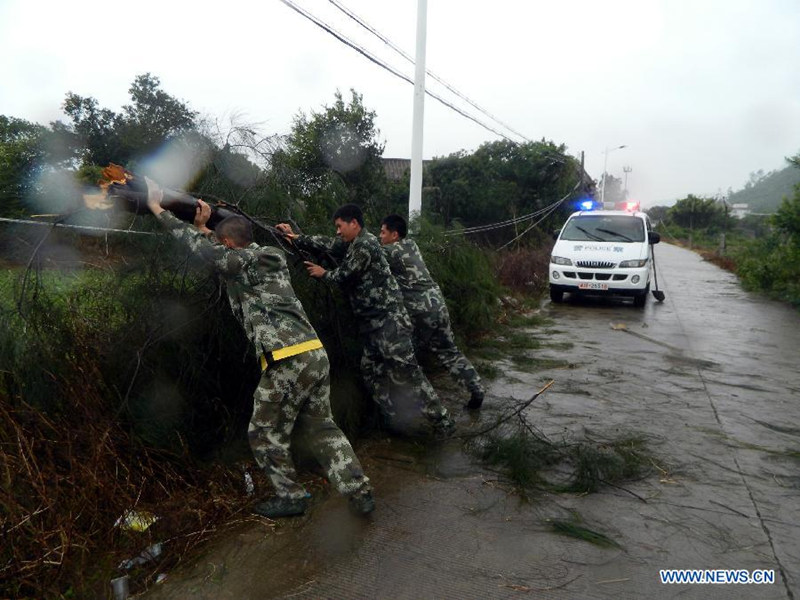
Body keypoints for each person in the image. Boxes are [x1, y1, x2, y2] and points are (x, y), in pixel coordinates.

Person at [143, 178, 374, 518]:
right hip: (313, 355)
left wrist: (157, 209)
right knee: (322, 427)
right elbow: (223, 255)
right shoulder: (259, 260)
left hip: (288, 359)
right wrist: (204, 227)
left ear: (228, 244)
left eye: (222, 243)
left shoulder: (255, 259)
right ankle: (360, 492)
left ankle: (291, 496)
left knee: (263, 432)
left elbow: (212, 255)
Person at [276, 204, 455, 437]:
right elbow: (327, 243)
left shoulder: (366, 244)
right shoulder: (353, 243)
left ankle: (443, 421)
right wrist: (295, 238)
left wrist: (323, 273)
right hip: (373, 326)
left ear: (354, 224)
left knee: (408, 373)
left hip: (389, 322)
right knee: (371, 371)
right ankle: (392, 420)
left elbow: (345, 274)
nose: (337, 231)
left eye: (340, 226)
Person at [379, 214, 486, 409]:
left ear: (394, 235)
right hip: (438, 305)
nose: (380, 236)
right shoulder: (411, 245)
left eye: (383, 232)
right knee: (448, 351)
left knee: (402, 353)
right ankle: (476, 389)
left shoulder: (391, 251)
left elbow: (365, 252)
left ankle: (416, 404)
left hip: (421, 311)